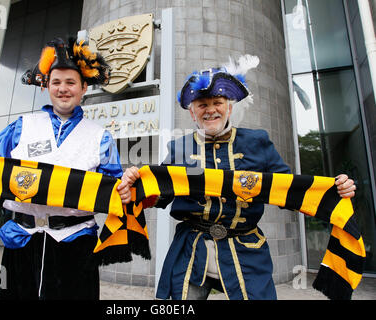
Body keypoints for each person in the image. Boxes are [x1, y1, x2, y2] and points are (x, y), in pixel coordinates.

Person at [117, 59, 357, 300]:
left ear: (229, 108)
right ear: (192, 112)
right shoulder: (179, 147)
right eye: (202, 104)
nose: (210, 109)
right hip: (192, 250)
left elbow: (290, 190)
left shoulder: (257, 142)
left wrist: (334, 190)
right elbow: (159, 194)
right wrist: (135, 185)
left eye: (217, 102)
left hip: (245, 250)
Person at [0, 37, 123, 300]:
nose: (63, 89)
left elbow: (116, 188)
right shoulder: (22, 126)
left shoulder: (100, 137)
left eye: (70, 82)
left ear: (84, 88)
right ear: (47, 86)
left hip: (76, 242)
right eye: (56, 82)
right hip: (22, 240)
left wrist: (132, 188)